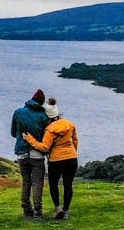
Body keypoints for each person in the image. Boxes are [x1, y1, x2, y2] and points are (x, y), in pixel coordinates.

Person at [24, 97, 79, 220]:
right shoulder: (70, 124)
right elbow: (75, 141)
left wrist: (29, 139)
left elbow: (44, 147)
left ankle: (58, 208)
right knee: (68, 185)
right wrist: (73, 153)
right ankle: (66, 211)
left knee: (53, 184)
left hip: (55, 160)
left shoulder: (50, 129)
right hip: (71, 158)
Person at [11, 89, 50, 220]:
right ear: (41, 102)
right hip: (37, 153)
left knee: (26, 181)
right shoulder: (43, 116)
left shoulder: (18, 112)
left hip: (22, 152)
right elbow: (46, 136)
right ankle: (38, 211)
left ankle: (26, 208)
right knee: (37, 182)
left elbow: (13, 132)